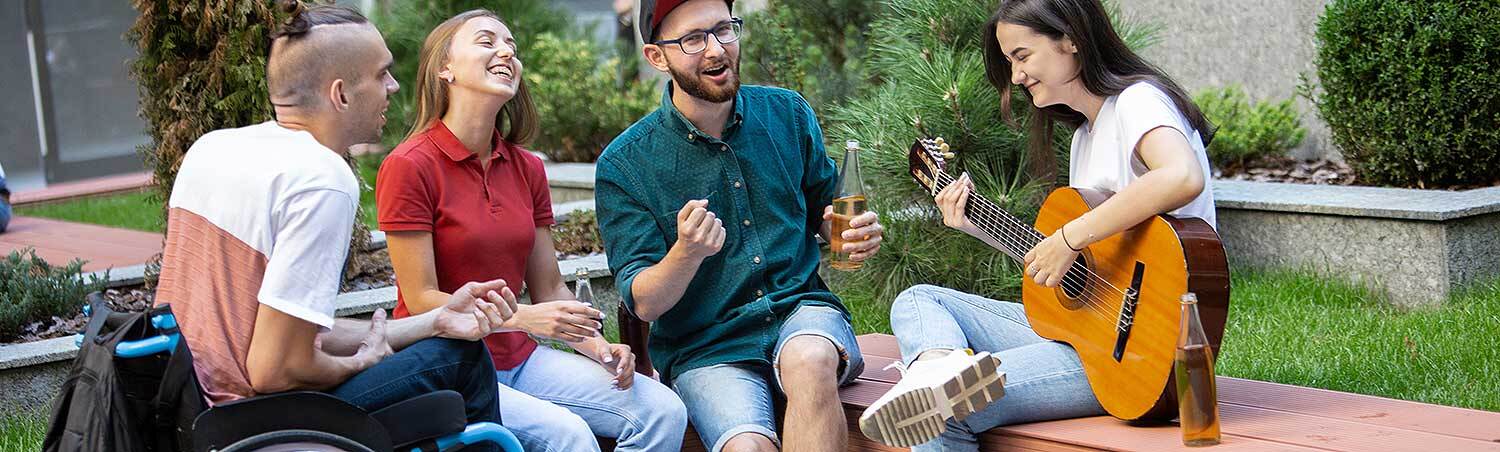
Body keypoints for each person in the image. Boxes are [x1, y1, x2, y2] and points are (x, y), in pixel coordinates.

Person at [857, 0, 1218, 449]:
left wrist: (1068, 237)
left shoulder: (1137, 101)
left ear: (1071, 40)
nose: (1015, 77)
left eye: (1022, 57)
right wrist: (976, 225)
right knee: (919, 301)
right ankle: (937, 367)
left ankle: (939, 385)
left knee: (940, 412)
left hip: (1142, 357)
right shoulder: (1086, 136)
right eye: (1009, 63)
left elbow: (1181, 176)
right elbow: (1087, 269)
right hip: (1089, 335)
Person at [152, 6, 516, 451]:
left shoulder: (214, 149)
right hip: (250, 424)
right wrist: (360, 364)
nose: (393, 87)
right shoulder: (322, 180)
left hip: (186, 412)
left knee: (443, 340)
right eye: (382, 74)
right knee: (462, 358)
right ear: (340, 94)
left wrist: (433, 321)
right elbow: (275, 369)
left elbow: (285, 331)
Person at [377, 9, 687, 452]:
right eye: (487, 41)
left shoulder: (526, 168)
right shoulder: (408, 166)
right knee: (570, 437)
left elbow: (550, 288)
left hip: (520, 360)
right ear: (444, 68)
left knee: (662, 410)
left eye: (511, 47)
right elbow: (423, 300)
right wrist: (523, 319)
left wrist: (599, 347)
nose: (505, 51)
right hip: (446, 366)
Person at [595, 1, 887, 450]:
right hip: (707, 349)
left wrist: (850, 234)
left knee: (809, 361)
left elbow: (826, 218)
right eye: (693, 39)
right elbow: (644, 303)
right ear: (657, 57)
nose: (715, 50)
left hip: (801, 316)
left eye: (724, 30)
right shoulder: (625, 163)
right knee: (746, 446)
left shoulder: (788, 114)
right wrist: (686, 252)